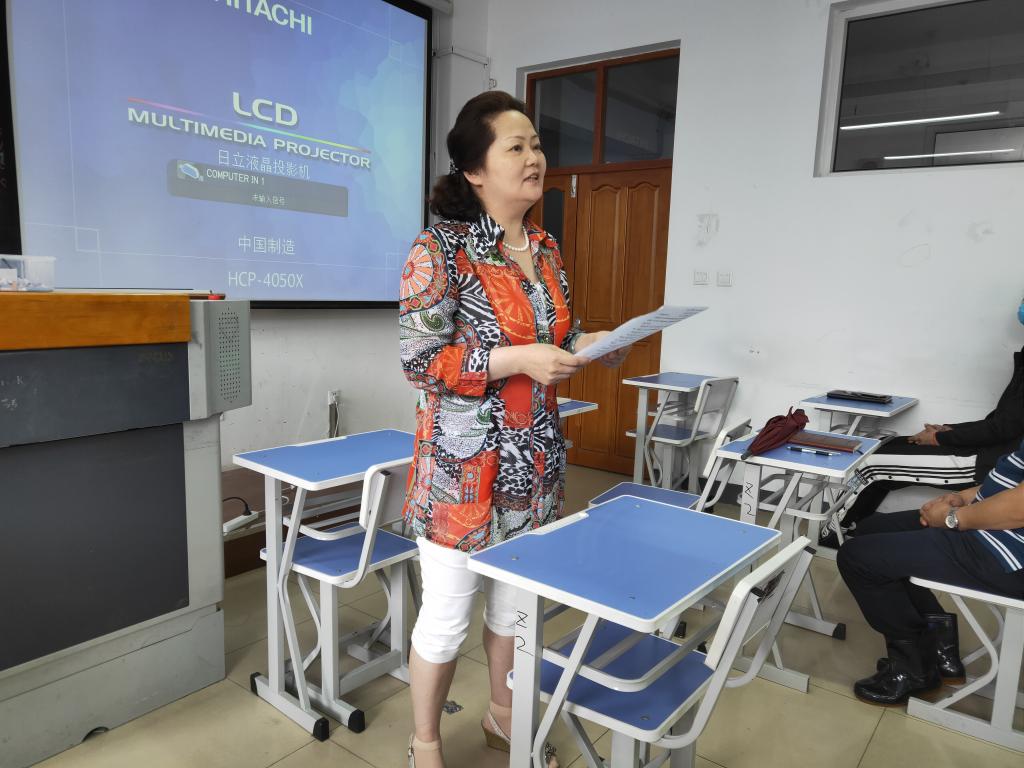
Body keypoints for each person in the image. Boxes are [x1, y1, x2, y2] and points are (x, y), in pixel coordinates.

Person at [398, 91, 628, 768]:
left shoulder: (546, 247)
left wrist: (594, 344)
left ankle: (504, 716)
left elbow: (555, 337)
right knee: (446, 620)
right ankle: (425, 742)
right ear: (475, 170)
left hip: (536, 464)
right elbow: (421, 360)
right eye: (516, 147)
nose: (535, 158)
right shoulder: (439, 248)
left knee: (516, 610)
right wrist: (516, 360)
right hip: (462, 473)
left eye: (537, 145)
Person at [837, 437, 1024, 706]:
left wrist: (952, 519)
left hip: (1009, 553)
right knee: (871, 529)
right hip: (996, 531)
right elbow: (1012, 478)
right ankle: (938, 649)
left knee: (857, 558)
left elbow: (1019, 507)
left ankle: (913, 671)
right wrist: (962, 498)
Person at [821, 335, 1024, 547]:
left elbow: (1004, 428)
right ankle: (853, 526)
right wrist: (947, 430)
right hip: (987, 445)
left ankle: (831, 537)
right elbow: (1001, 421)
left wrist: (938, 437)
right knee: (882, 447)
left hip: (987, 459)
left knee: (868, 464)